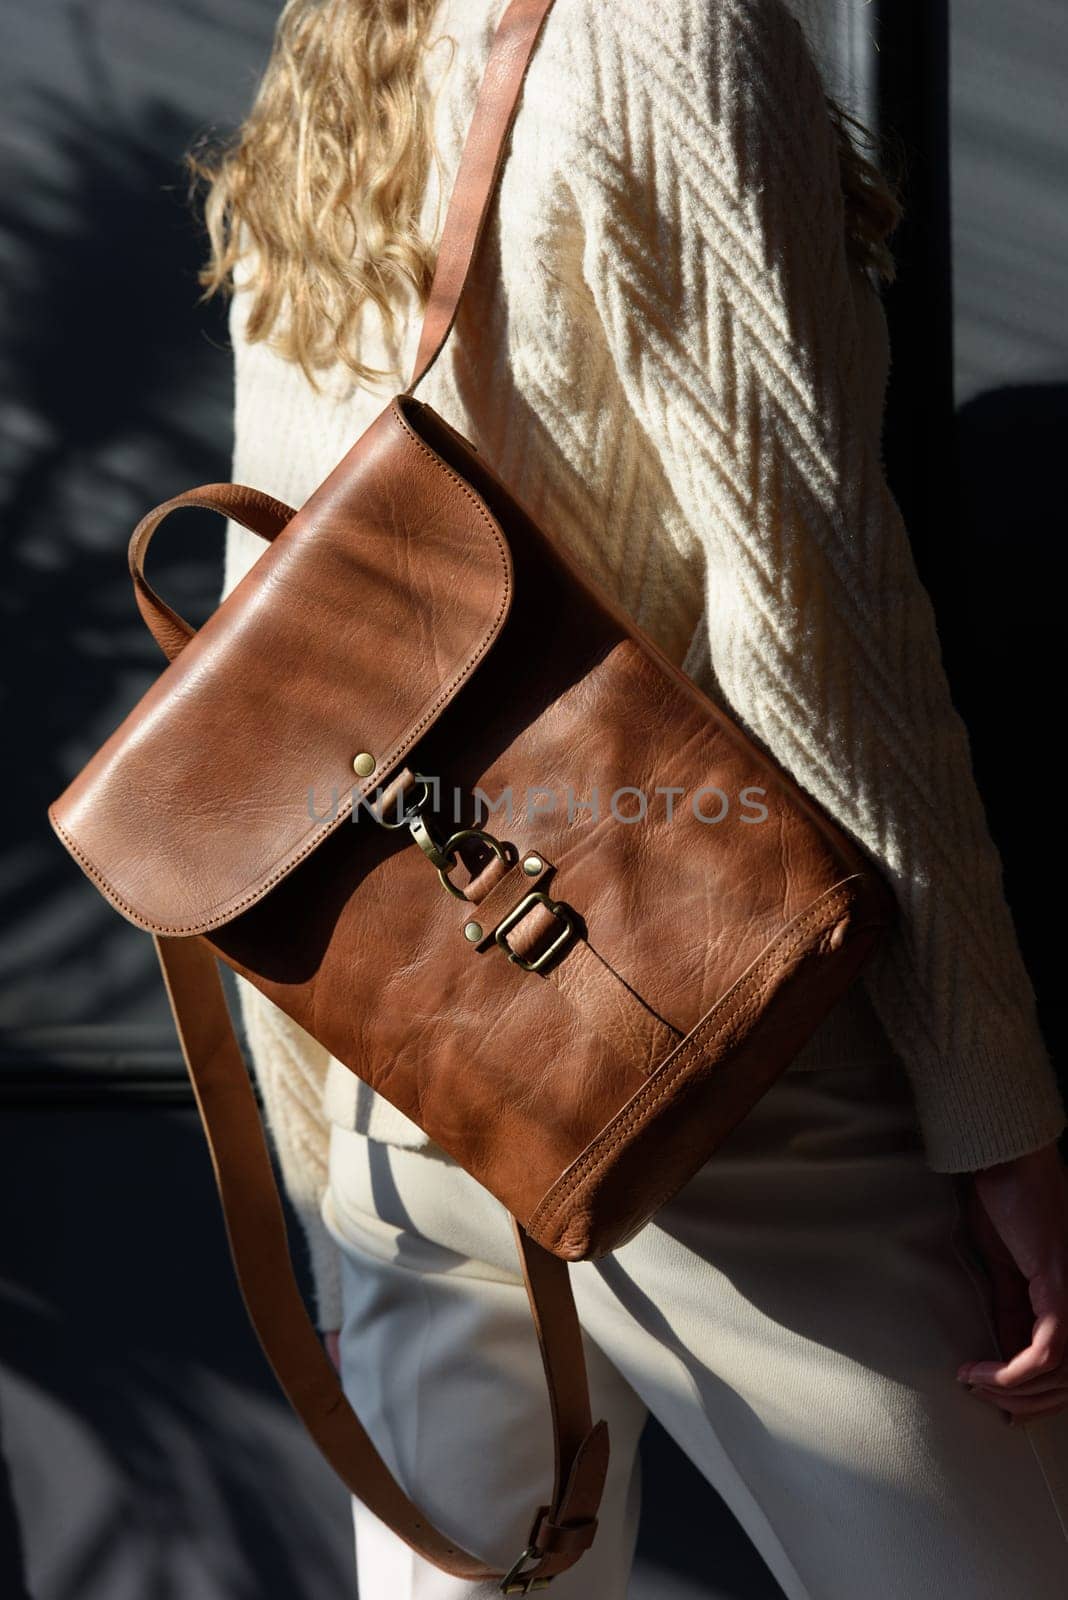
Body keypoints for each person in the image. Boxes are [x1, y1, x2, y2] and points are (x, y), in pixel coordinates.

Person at [194, 1, 1068, 1593]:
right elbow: (815, 620)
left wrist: (328, 1160)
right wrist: (993, 1104)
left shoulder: (345, 48)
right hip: (706, 1060)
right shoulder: (668, 27)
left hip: (414, 1065)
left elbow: (270, 637)